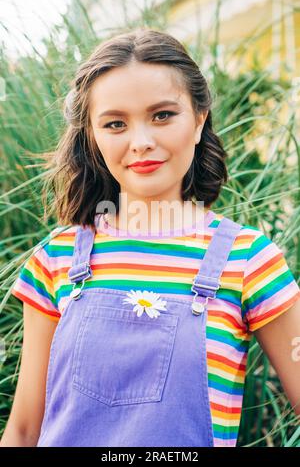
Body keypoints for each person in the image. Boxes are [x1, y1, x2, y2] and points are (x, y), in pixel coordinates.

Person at [1, 28, 299, 448]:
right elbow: (25, 429)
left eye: (162, 115)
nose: (141, 142)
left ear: (198, 120)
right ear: (93, 136)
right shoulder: (57, 257)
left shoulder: (249, 260)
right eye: (116, 123)